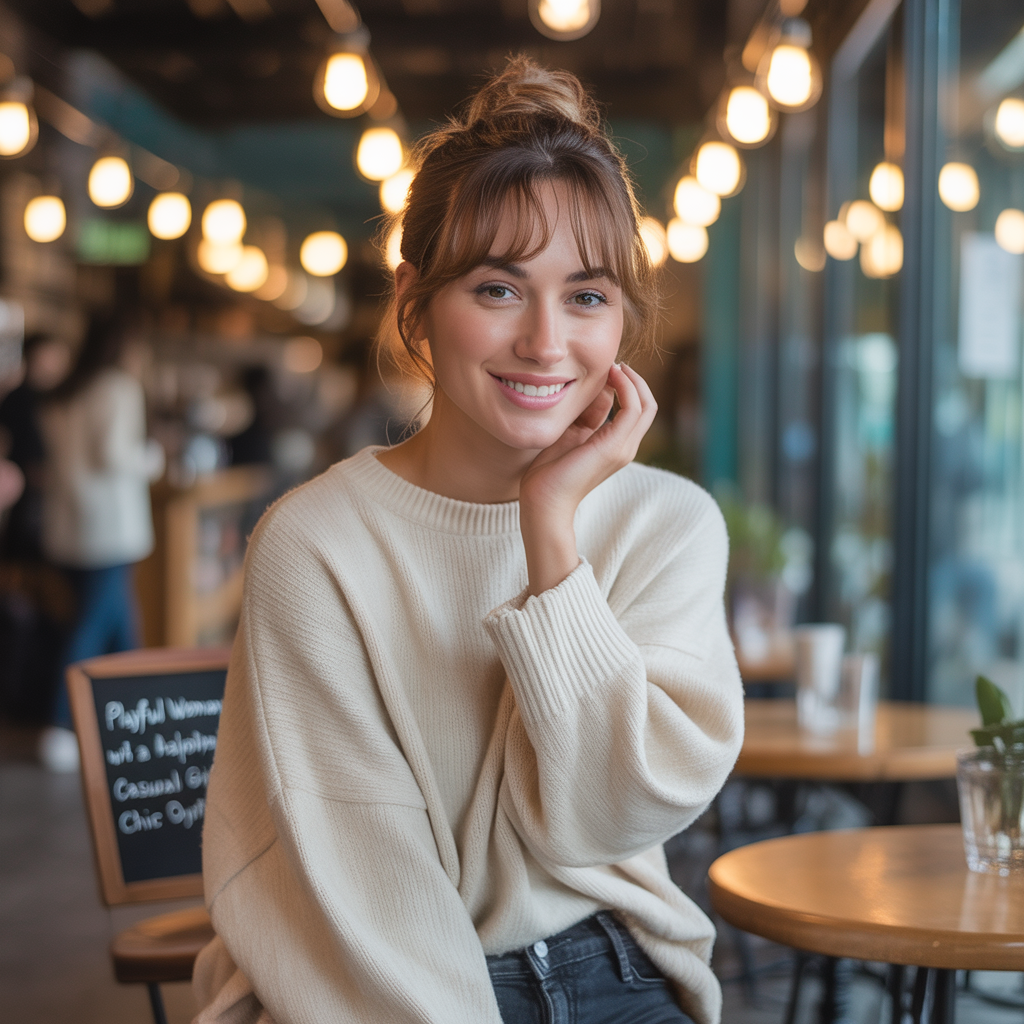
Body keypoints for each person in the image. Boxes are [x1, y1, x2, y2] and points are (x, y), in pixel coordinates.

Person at [194, 58, 743, 1024]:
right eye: (497, 289)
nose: (544, 342)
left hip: (613, 968)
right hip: (378, 977)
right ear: (416, 301)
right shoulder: (315, 542)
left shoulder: (668, 524)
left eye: (586, 296)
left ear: (621, 321)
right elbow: (366, 885)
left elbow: (605, 815)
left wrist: (550, 526)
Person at [37, 316, 163, 771]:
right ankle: (60, 725)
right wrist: (152, 458)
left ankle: (134, 719)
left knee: (119, 621)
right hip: (110, 527)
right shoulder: (117, 387)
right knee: (91, 627)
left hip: (67, 523)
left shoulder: (64, 390)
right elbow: (113, 454)